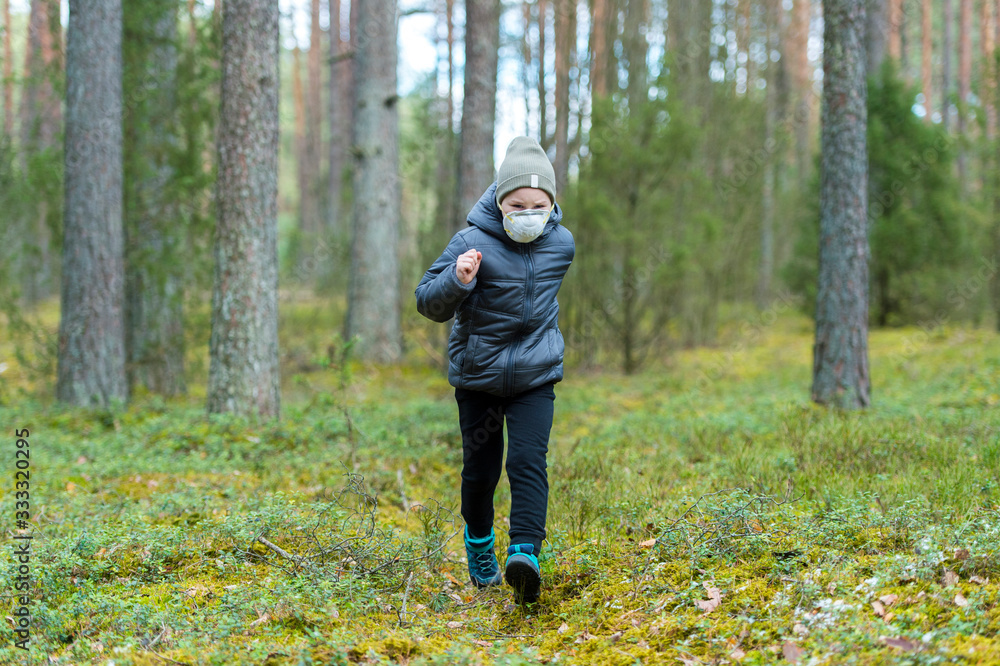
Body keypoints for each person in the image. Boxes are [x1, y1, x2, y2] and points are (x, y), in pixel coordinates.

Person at [414, 136, 575, 604]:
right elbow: (427, 302)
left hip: (535, 376)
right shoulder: (470, 241)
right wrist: (457, 280)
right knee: (481, 471)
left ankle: (524, 553)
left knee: (528, 462)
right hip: (479, 377)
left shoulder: (561, 244)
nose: (528, 213)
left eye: (538, 205)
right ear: (500, 201)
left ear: (551, 204)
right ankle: (480, 544)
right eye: (517, 205)